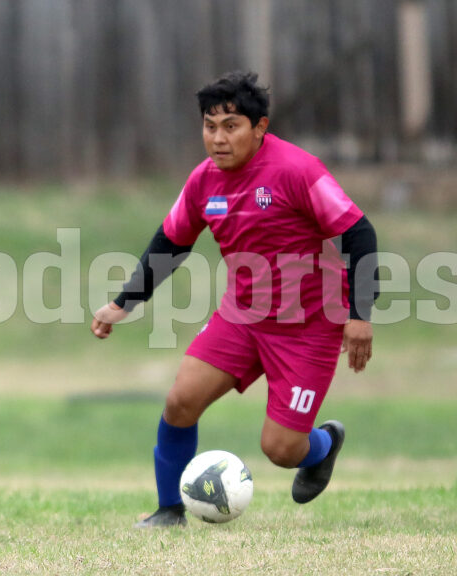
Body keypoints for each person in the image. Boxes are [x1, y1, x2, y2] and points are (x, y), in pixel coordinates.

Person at [91, 71, 378, 527]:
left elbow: (358, 233)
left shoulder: (298, 171)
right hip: (243, 315)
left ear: (260, 127)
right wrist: (125, 301)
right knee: (180, 402)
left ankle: (323, 444)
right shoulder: (204, 183)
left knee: (281, 451)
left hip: (311, 326)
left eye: (231, 126)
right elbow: (170, 242)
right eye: (210, 126)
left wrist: (360, 316)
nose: (218, 139)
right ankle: (169, 510)